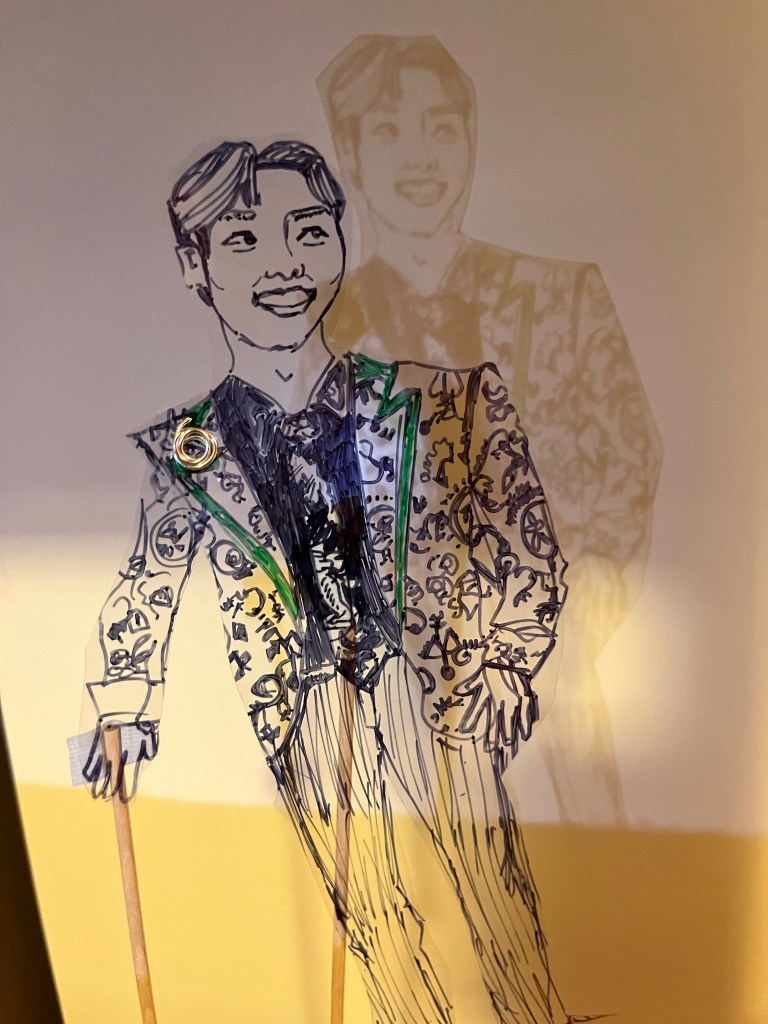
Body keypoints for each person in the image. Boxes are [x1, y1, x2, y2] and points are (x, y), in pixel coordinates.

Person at [70, 139, 576, 1024]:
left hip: (427, 681)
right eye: (243, 241)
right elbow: (147, 577)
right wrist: (122, 706)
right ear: (194, 266)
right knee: (375, 923)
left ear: (341, 238)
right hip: (300, 700)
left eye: (308, 231)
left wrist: (505, 654)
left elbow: (519, 525)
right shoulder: (188, 448)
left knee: (488, 893)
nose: (283, 265)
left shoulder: (439, 399)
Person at [318, 34, 663, 826]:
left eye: (442, 127)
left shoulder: (566, 296)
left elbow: (627, 465)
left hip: (546, 680)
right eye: (390, 129)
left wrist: (563, 626)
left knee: (583, 878)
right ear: (351, 151)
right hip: (388, 687)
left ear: (470, 140)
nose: (421, 155)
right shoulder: (317, 325)